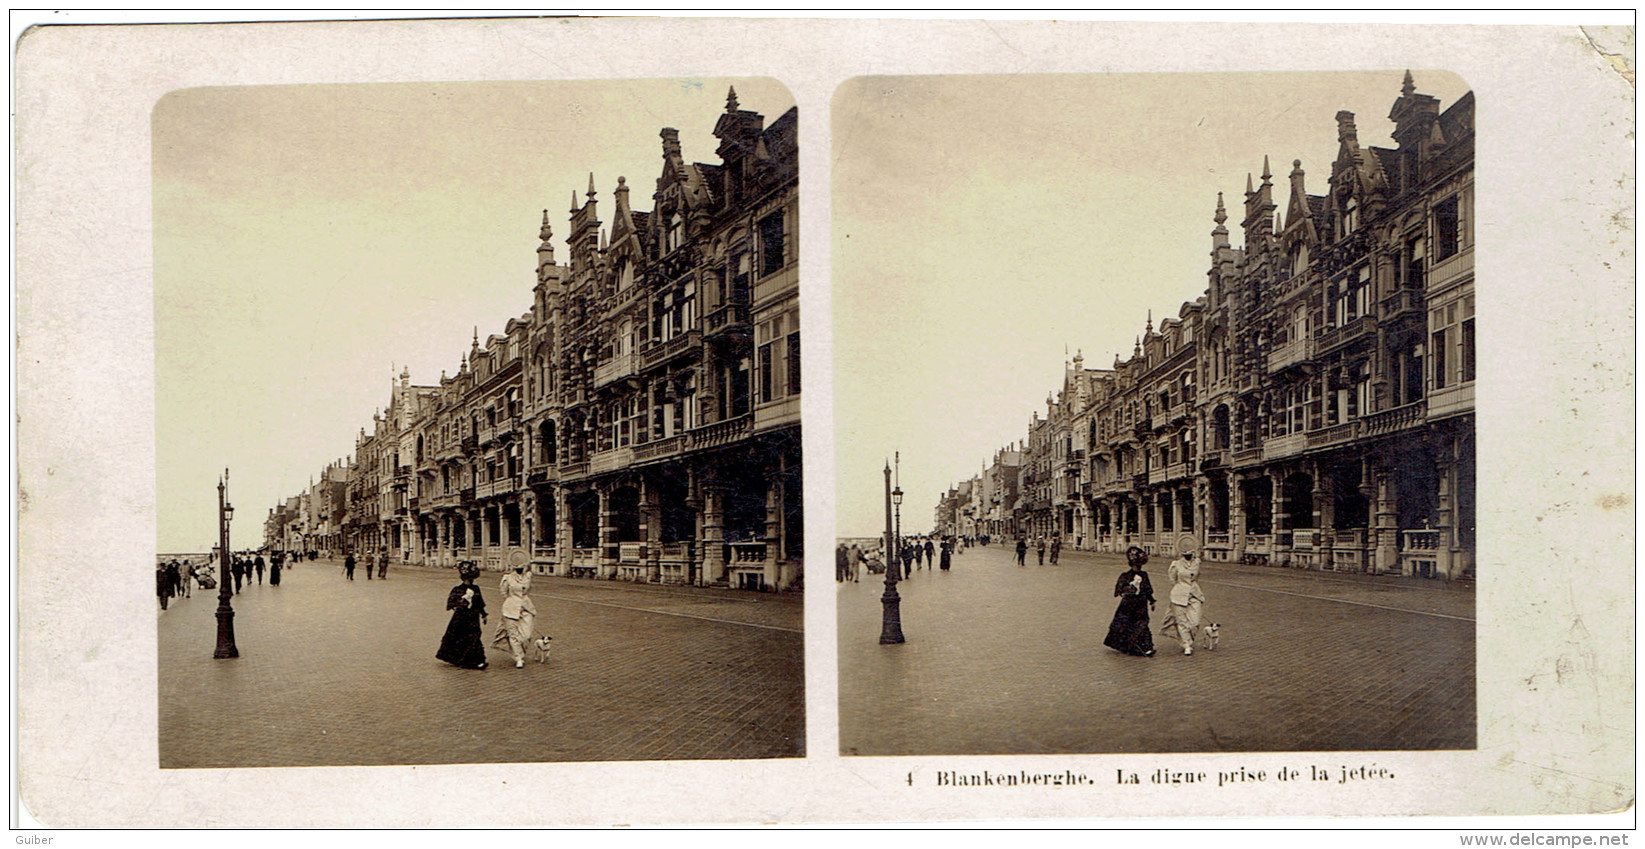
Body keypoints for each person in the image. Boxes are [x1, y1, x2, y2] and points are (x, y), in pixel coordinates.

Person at [1104, 546, 1156, 656]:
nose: (1138, 567)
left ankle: (1146, 647)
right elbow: (1119, 591)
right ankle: (1128, 646)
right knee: (1125, 624)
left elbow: (1147, 589)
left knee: (1142, 625)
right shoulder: (1125, 576)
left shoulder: (1144, 575)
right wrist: (1128, 589)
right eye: (1136, 565)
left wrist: (1152, 601)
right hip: (1128, 605)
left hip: (1141, 604)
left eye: (1139, 565)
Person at [436, 563, 489, 669]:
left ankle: (477, 660)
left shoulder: (475, 589)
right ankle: (463, 659)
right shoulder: (457, 589)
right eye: (469, 579)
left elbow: (479, 603)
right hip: (461, 618)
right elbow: (451, 604)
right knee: (461, 637)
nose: (470, 581)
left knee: (474, 637)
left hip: (472, 617)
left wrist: (483, 615)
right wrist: (460, 602)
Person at [1161, 550, 1205, 655]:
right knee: (1182, 621)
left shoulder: (1197, 562)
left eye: (1190, 551)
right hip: (1179, 595)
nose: (1188, 554)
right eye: (1185, 552)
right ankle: (1186, 645)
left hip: (1194, 594)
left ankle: (1189, 639)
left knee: (1195, 621)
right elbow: (1172, 579)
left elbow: (1196, 577)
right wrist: (1181, 587)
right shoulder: (1176, 564)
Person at [495, 563, 538, 669]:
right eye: (516, 565)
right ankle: (518, 658)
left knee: (526, 635)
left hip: (526, 607)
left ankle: (519, 652)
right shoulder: (507, 578)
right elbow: (503, 592)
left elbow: (528, 590)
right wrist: (511, 601)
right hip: (510, 609)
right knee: (513, 634)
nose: (519, 567)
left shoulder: (528, 576)